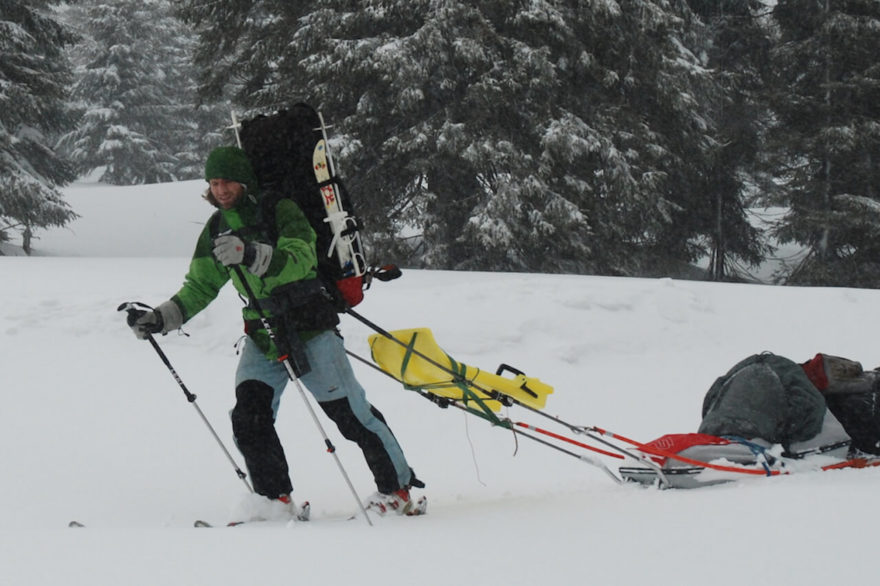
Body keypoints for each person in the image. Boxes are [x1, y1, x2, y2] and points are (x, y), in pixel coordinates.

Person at [127, 146, 422, 517]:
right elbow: (200, 285)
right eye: (213, 183)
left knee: (350, 414)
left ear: (243, 181)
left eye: (227, 181)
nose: (220, 190)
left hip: (310, 327)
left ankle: (397, 491)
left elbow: (301, 259)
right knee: (248, 416)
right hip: (262, 335)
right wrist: (161, 318)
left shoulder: (280, 209)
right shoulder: (217, 227)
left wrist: (250, 254)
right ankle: (274, 500)